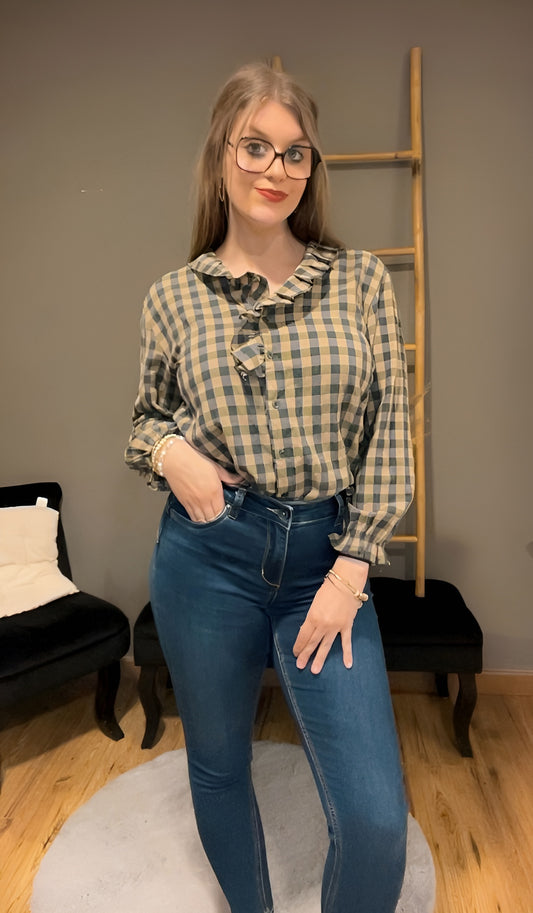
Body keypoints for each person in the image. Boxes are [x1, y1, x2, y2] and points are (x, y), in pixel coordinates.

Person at [125, 60, 415, 913]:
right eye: (255, 146)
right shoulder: (173, 298)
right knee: (218, 765)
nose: (275, 169)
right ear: (221, 155)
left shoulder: (359, 281)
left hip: (327, 556)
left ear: (310, 167)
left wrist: (351, 569)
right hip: (206, 559)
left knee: (374, 820)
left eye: (295, 152)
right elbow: (144, 420)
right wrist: (170, 451)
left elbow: (391, 431)